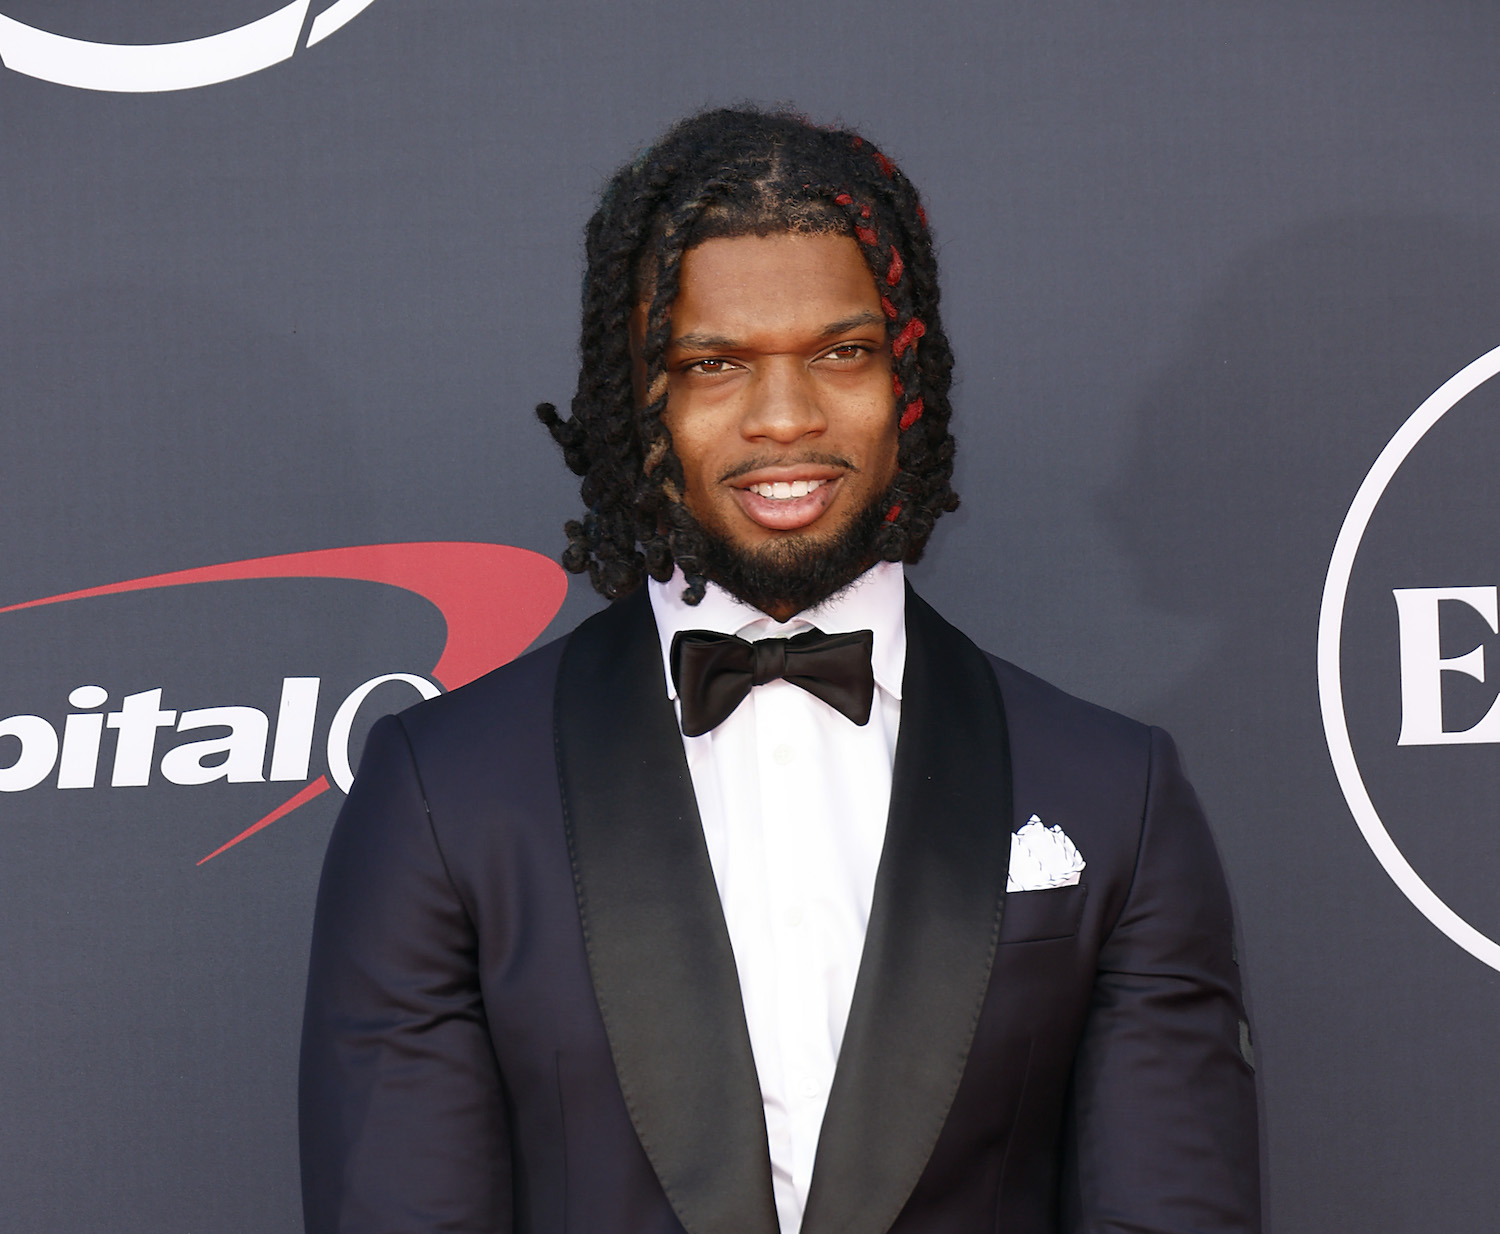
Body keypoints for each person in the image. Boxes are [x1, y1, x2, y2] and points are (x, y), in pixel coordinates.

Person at [299, 107, 1260, 1234]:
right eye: (714, 365)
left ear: (910, 375)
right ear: (638, 400)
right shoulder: (443, 794)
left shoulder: (1116, 794)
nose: (787, 417)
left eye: (841, 353)